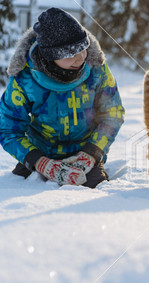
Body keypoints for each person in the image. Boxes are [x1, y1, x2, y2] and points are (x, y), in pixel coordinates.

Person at [0, 7, 124, 188]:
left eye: (83, 49)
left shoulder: (96, 68)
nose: (80, 58)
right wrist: (39, 161)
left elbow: (112, 114)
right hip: (40, 153)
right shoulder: (24, 79)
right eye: (70, 54)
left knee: (97, 189)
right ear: (50, 56)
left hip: (86, 151)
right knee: (18, 187)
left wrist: (91, 153)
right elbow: (8, 128)